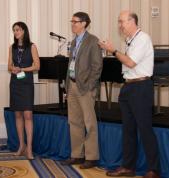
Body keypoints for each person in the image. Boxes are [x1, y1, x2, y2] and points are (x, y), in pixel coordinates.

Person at [99, 11, 160, 178]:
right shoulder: (130, 40)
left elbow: (130, 62)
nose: (119, 25)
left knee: (145, 129)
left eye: (122, 22)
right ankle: (128, 167)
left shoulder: (142, 39)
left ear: (132, 21)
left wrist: (113, 50)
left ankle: (154, 170)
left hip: (141, 87)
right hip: (128, 87)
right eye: (119, 22)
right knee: (128, 130)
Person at [61, 12, 103, 169]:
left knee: (89, 122)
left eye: (75, 22)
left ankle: (92, 157)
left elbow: (97, 66)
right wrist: (67, 85)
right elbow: (71, 65)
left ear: (84, 23)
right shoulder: (73, 42)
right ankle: (77, 155)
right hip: (72, 85)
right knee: (74, 122)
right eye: (71, 21)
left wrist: (90, 85)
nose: (72, 24)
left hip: (85, 87)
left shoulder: (93, 41)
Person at [8, 21, 40, 160]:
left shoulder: (32, 46)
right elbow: (9, 66)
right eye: (14, 30)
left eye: (18, 30)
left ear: (24, 31)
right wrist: (13, 68)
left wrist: (22, 69)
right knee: (18, 115)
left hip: (26, 83)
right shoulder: (12, 47)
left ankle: (30, 147)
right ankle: (21, 145)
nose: (16, 32)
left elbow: (37, 66)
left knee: (28, 115)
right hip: (15, 83)